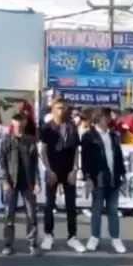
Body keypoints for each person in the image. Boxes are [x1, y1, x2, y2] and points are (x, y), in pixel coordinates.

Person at [38, 98, 85, 252]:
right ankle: (48, 235)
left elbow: (76, 150)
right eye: (58, 108)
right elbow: (43, 150)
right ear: (53, 110)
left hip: (69, 170)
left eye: (64, 108)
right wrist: (48, 169)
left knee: (71, 205)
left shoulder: (71, 127)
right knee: (49, 204)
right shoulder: (46, 128)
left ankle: (72, 236)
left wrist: (75, 169)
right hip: (52, 170)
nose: (61, 110)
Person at [80, 107, 127, 253]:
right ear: (99, 118)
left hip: (114, 177)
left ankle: (115, 238)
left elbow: (118, 155)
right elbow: (85, 159)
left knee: (113, 209)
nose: (109, 119)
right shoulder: (89, 136)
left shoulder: (113, 136)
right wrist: (87, 177)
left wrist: (123, 173)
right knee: (97, 209)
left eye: (109, 117)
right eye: (107, 117)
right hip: (98, 178)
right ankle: (95, 237)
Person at [0, 113, 41, 256]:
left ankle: (33, 243)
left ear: (25, 123)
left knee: (31, 215)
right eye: (17, 124)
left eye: (22, 124)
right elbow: (2, 163)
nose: (19, 127)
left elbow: (35, 164)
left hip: (28, 182)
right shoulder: (7, 140)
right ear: (12, 123)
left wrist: (37, 182)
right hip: (11, 182)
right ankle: (8, 244)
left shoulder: (30, 141)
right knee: (9, 215)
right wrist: (5, 181)